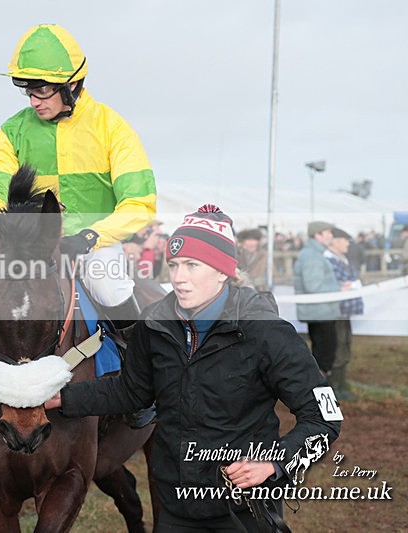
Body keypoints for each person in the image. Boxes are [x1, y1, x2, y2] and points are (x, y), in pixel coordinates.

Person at [46, 205, 341, 531]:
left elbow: (324, 418)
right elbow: (132, 391)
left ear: (223, 272)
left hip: (244, 507)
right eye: (173, 265)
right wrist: (63, 397)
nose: (178, 277)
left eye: (192, 265)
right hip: (174, 504)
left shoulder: (267, 332)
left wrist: (275, 463)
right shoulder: (155, 324)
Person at [0, 23, 157, 324]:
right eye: (29, 91)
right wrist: (1, 238)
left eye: (43, 91)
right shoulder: (13, 130)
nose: (34, 100)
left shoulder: (112, 127)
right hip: (27, 246)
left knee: (108, 287)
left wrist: (92, 236)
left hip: (93, 245)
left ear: (72, 85)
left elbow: (139, 203)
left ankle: (137, 362)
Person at [293, 221, 343, 376]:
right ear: (317, 235)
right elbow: (313, 287)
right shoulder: (312, 256)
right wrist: (340, 289)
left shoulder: (314, 254)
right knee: (324, 358)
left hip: (321, 312)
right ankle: (317, 392)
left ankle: (317, 391)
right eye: (328, 232)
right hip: (320, 313)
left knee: (321, 355)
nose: (331, 236)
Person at [324, 227, 363, 402]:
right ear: (335, 241)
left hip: (344, 310)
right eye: (344, 240)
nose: (347, 244)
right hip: (336, 310)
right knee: (338, 347)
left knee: (345, 345)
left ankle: (341, 385)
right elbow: (337, 284)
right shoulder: (329, 260)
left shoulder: (341, 259)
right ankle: (334, 388)